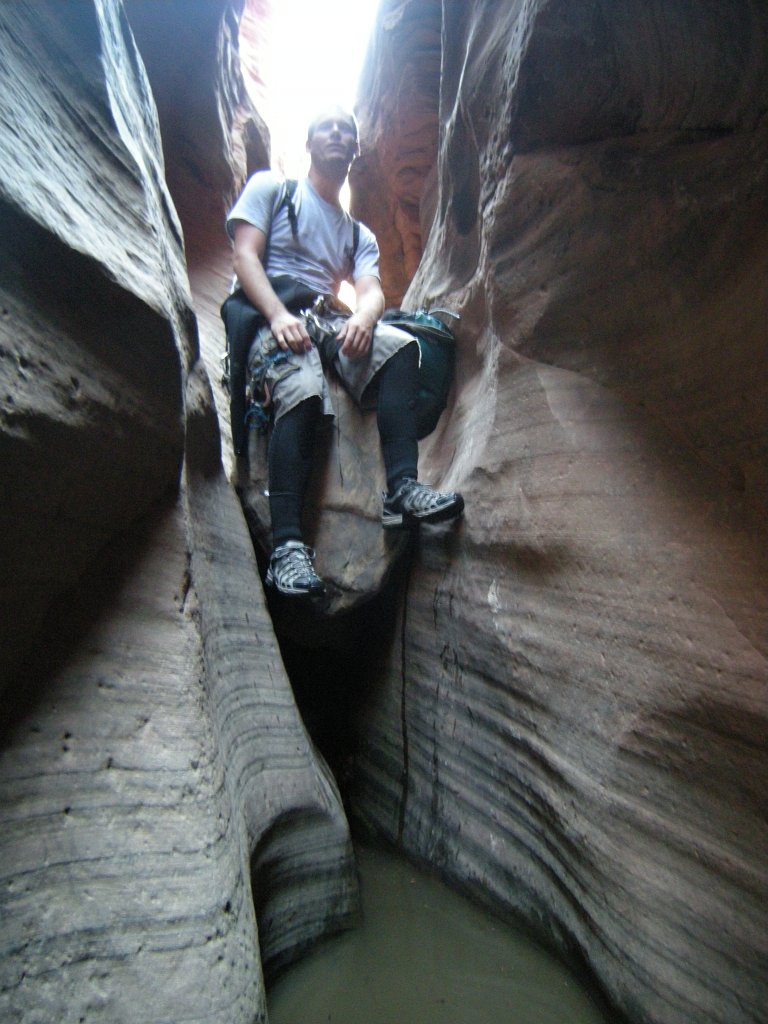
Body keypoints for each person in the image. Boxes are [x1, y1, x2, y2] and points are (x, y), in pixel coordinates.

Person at [225, 106, 464, 597]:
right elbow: (245, 256)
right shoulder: (274, 188)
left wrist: (363, 316)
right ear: (309, 143)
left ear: (355, 152)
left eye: (346, 131)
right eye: (327, 128)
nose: (337, 135)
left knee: (399, 350)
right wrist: (276, 316)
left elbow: (371, 290)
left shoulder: (359, 234)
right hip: (277, 308)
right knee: (304, 389)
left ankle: (402, 490)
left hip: (328, 317)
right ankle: (288, 550)